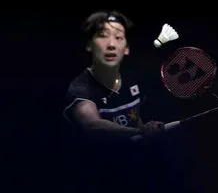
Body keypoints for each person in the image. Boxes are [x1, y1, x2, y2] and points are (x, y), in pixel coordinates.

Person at [62, 10, 165, 140]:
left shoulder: (132, 80)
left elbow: (135, 117)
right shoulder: (80, 89)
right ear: (89, 45)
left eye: (118, 38)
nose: (111, 45)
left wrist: (145, 132)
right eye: (103, 35)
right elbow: (92, 124)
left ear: (126, 48)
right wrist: (138, 131)